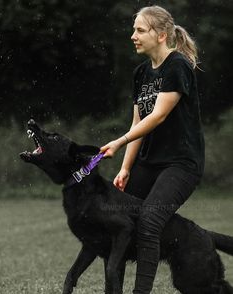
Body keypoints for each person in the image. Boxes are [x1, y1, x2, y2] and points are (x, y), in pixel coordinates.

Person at [100, 5, 205, 294]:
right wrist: (125, 168)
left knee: (149, 220)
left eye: (140, 30)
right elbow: (138, 123)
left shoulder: (178, 66)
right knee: (117, 219)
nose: (133, 35)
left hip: (181, 163)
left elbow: (157, 116)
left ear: (161, 35)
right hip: (149, 161)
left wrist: (118, 141)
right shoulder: (141, 72)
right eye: (134, 29)